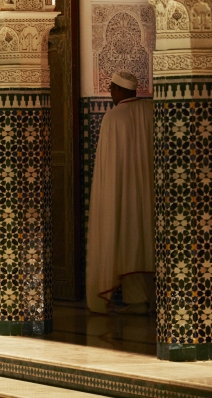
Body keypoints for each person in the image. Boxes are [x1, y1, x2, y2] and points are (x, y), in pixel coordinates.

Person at [86, 71, 155, 315]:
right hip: (150, 194)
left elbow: (109, 166)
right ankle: (153, 299)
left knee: (127, 240)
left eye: (112, 88)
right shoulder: (151, 112)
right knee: (147, 240)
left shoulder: (114, 118)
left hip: (123, 194)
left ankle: (137, 301)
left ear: (118, 90)